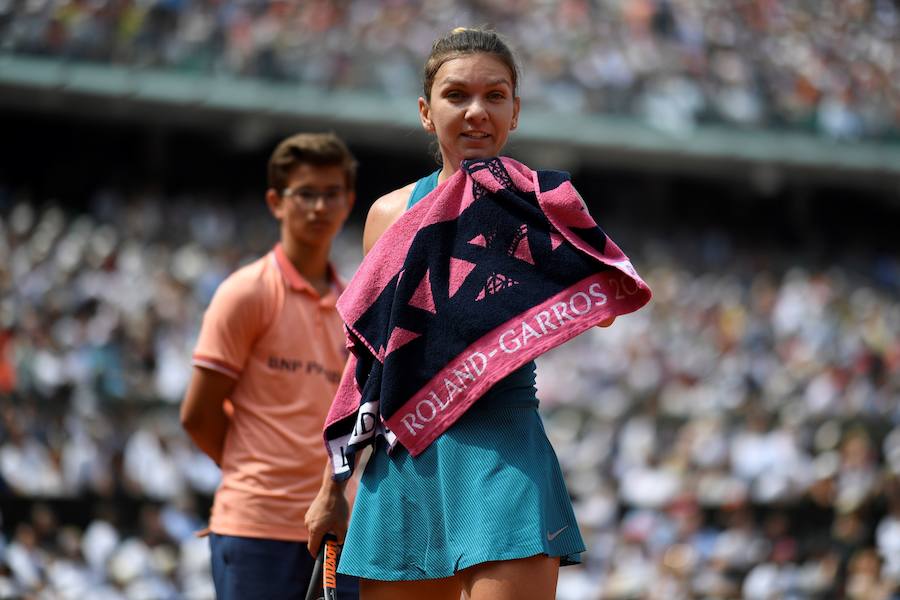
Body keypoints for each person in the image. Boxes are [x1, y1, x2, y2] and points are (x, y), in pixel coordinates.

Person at [326, 28, 644, 600]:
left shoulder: (544, 202)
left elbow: (605, 299)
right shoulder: (388, 214)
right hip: (404, 464)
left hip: (500, 454)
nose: (477, 112)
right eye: (457, 96)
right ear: (426, 112)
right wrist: (331, 489)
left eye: (495, 96)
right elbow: (367, 365)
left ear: (515, 112)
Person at [180, 132, 358, 599]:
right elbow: (197, 415)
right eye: (306, 194)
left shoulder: (355, 308)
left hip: (340, 533)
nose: (319, 207)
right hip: (256, 528)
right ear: (276, 202)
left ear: (348, 202)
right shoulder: (246, 292)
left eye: (331, 194)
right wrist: (254, 476)